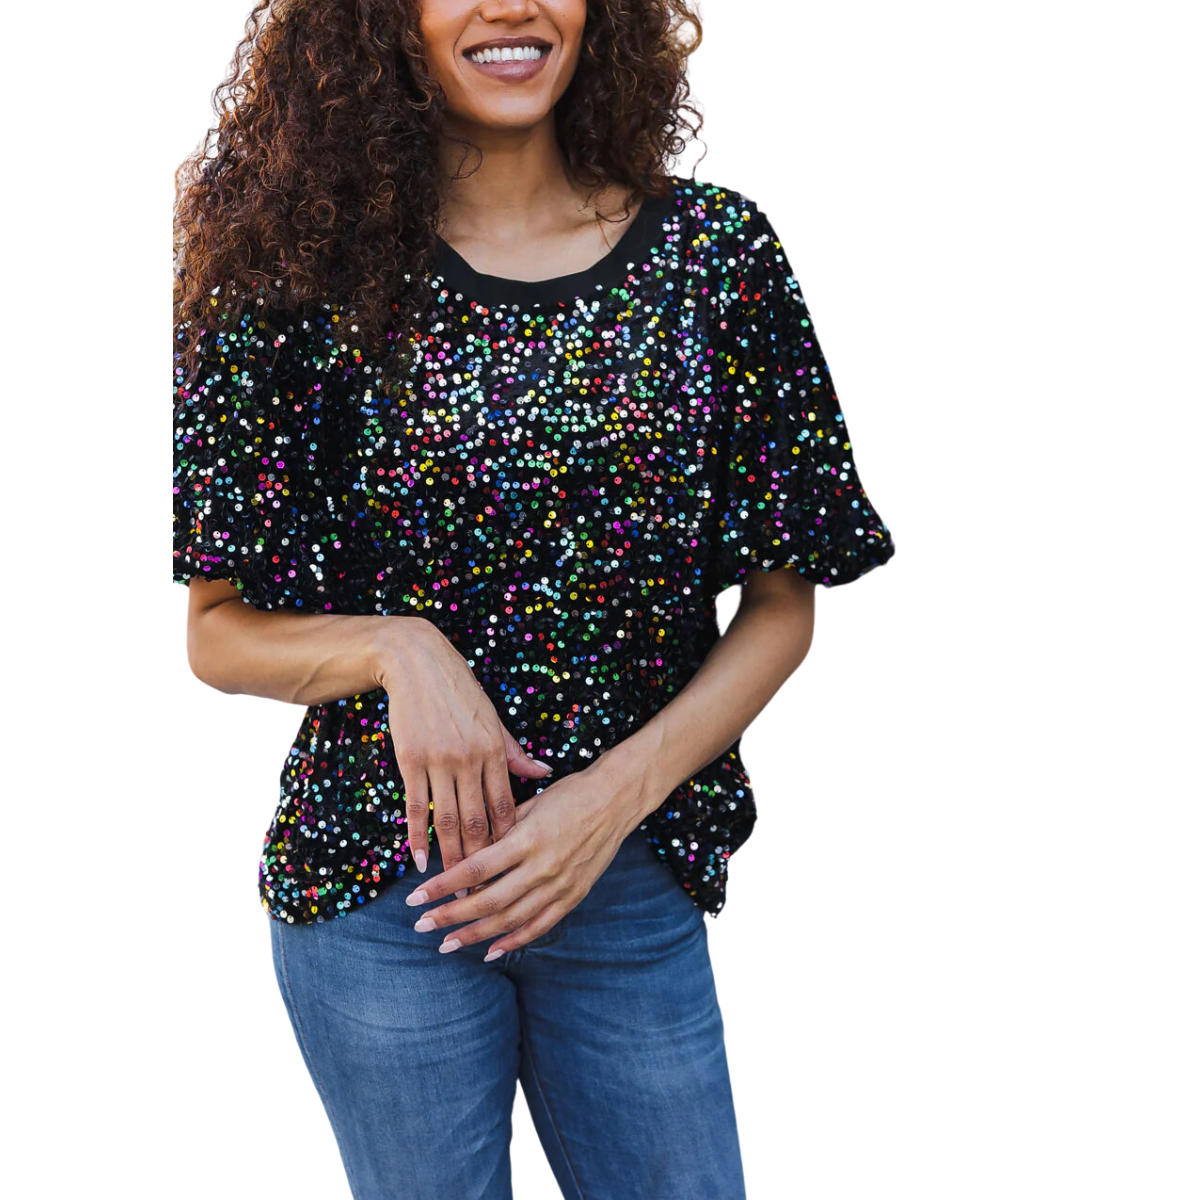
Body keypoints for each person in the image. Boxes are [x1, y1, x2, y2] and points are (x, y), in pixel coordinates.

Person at [171, 2, 896, 1197]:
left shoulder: (715, 259)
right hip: (384, 889)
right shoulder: (291, 274)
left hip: (624, 877)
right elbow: (216, 632)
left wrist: (610, 803)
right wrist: (400, 650)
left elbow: (784, 602)